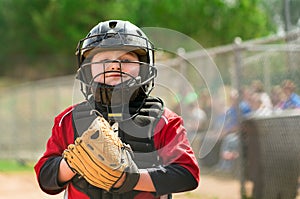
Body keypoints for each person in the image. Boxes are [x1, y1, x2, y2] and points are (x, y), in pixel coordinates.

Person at [34, 20, 200, 199]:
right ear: (87, 70)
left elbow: (188, 174)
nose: (114, 66)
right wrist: (73, 164)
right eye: (104, 60)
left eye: (126, 60)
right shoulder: (68, 120)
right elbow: (45, 179)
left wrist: (130, 179)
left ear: (144, 69)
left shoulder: (164, 120)